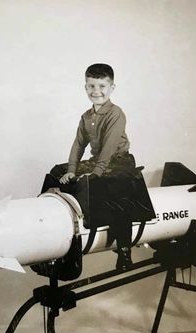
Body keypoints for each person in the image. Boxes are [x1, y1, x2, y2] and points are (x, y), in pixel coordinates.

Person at [54, 63, 136, 271]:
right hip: (99, 160)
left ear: (112, 88)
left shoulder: (116, 113)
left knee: (118, 198)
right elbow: (78, 144)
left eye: (102, 86)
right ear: (85, 88)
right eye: (91, 86)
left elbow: (109, 148)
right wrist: (71, 170)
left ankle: (125, 252)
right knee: (56, 171)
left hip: (119, 162)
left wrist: (96, 173)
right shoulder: (86, 116)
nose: (96, 91)